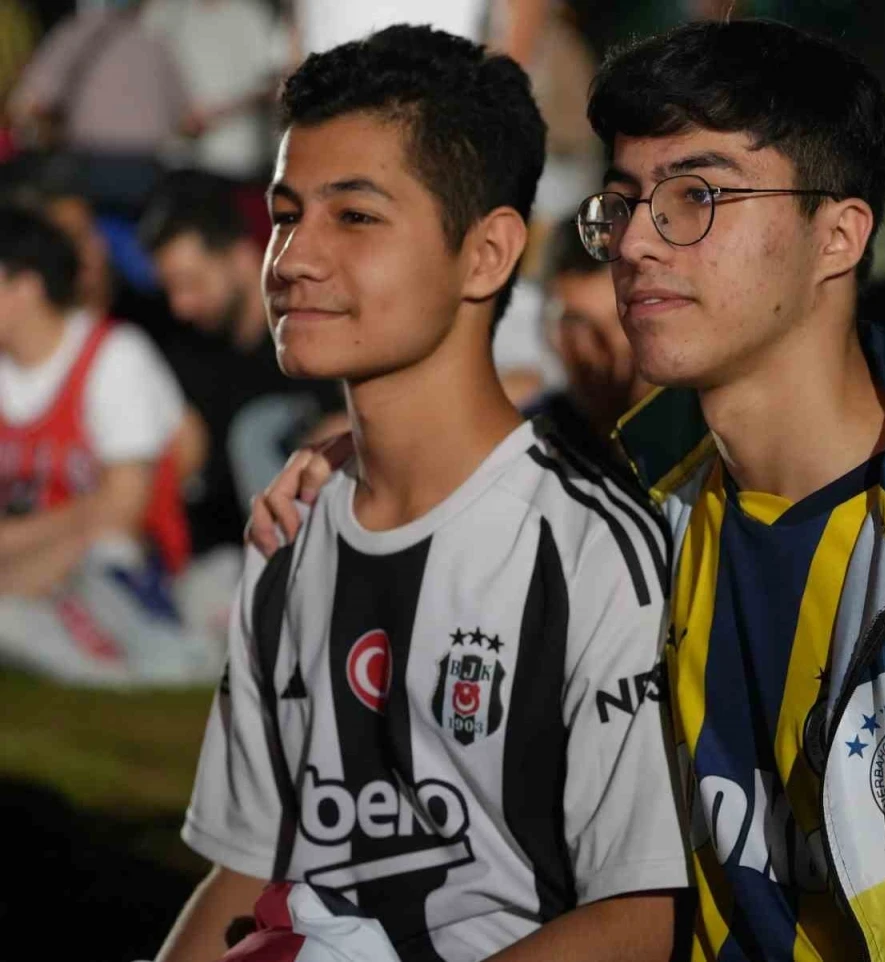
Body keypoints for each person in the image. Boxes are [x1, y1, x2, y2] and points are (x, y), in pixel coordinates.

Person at [252, 18, 885, 961]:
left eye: (696, 196)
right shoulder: (641, 494)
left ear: (838, 235)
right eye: (624, 202)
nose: (636, 243)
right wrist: (383, 461)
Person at [157, 25, 686, 962]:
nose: (293, 258)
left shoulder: (590, 550)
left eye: (355, 217)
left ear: (486, 254)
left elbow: (643, 917)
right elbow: (244, 867)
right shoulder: (290, 528)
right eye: (285, 214)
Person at [0, 204, 211, 685]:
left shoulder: (113, 355)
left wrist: (11, 560)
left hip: (127, 573)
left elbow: (121, 511)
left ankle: (151, 660)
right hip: (34, 567)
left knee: (107, 555)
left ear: (26, 286)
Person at [139, 171, 344, 554]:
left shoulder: (317, 335)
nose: (180, 306)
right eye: (171, 290)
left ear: (242, 256)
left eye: (192, 283)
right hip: (224, 558)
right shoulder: (184, 355)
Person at [7, 0, 189, 213]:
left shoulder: (75, 33)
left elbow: (26, 103)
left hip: (89, 165)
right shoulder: (154, 40)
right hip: (145, 168)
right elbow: (185, 116)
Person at [525, 217, 652, 470]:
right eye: (579, 324)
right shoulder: (528, 443)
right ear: (549, 331)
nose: (611, 347)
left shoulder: (707, 433)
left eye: (621, 318)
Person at [141, 0, 290, 181]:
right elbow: (145, 66)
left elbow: (274, 81)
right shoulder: (167, 10)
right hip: (174, 157)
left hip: (236, 158)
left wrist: (219, 114)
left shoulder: (253, 14)